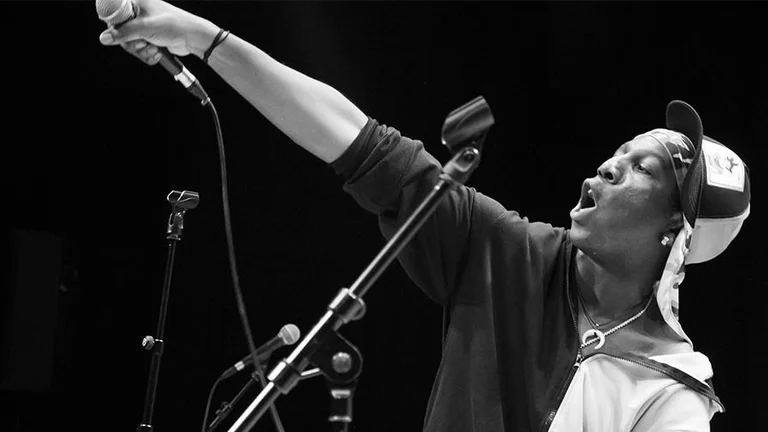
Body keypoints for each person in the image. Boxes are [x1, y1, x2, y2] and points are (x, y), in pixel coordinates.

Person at [97, 1, 751, 430]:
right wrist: (202, 36)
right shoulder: (514, 255)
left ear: (675, 233)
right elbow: (358, 140)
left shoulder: (673, 398)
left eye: (641, 168)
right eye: (620, 150)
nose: (605, 166)